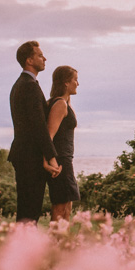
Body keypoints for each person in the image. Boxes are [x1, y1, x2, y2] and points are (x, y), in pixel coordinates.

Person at [8, 41, 60, 223]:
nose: (44, 58)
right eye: (40, 55)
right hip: (29, 156)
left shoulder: (23, 84)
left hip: (24, 155)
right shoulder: (29, 85)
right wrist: (51, 156)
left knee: (28, 210)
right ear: (29, 60)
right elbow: (38, 126)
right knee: (30, 211)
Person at [46, 65, 81, 222]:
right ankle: (57, 243)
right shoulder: (60, 104)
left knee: (67, 204)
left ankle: (63, 243)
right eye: (75, 80)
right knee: (61, 206)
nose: (77, 83)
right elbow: (48, 136)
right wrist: (49, 160)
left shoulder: (63, 102)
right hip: (59, 161)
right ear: (66, 83)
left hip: (64, 159)